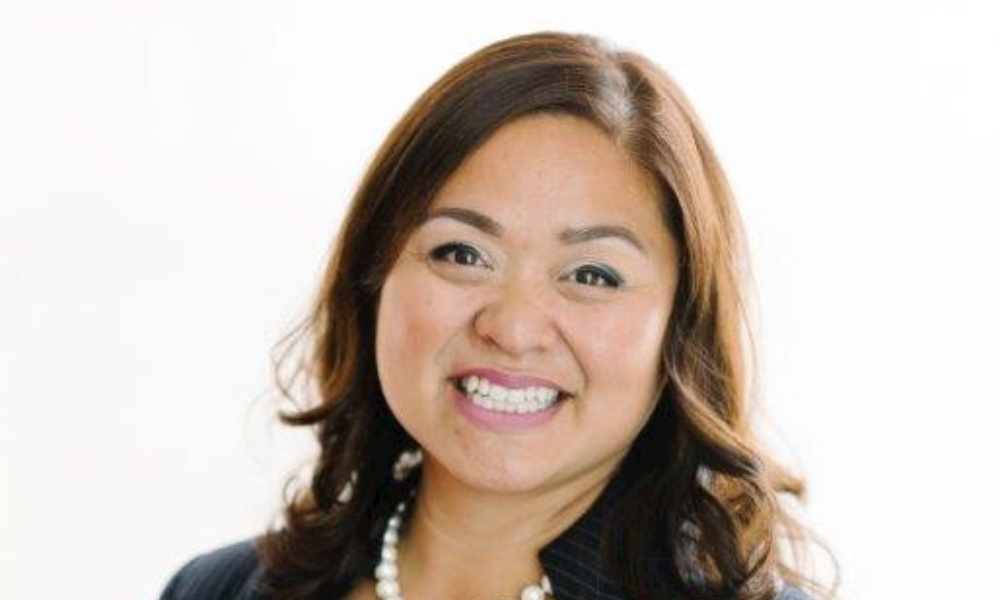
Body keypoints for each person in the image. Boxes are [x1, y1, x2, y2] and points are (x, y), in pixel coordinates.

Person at [159, 31, 835, 600]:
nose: (513, 328)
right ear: (375, 277)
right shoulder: (216, 589)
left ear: (679, 329)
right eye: (462, 254)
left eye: (591, 275)